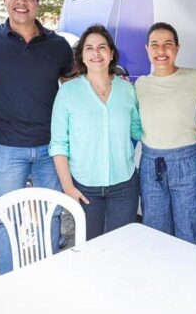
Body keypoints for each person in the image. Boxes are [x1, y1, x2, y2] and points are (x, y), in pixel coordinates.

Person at [0, 0, 73, 274]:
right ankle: (8, 284)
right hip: (5, 147)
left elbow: (74, 83)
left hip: (49, 147)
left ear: (38, 2)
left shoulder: (58, 46)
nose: (21, 1)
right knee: (8, 217)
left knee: (52, 214)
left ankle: (48, 277)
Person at [50, 24, 142, 240]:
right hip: (85, 187)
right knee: (90, 249)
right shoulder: (68, 93)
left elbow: (138, 130)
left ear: (111, 54)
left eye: (102, 47)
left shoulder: (127, 89)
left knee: (122, 245)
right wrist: (68, 188)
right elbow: (58, 144)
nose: (96, 53)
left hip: (124, 185)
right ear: (81, 56)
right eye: (89, 48)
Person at [135, 22, 196, 245]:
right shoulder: (140, 84)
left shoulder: (195, 78)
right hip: (151, 163)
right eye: (155, 45)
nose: (161, 51)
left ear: (177, 48)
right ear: (147, 49)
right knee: (155, 228)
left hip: (187, 161)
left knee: (189, 227)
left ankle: (191, 276)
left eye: (168, 44)